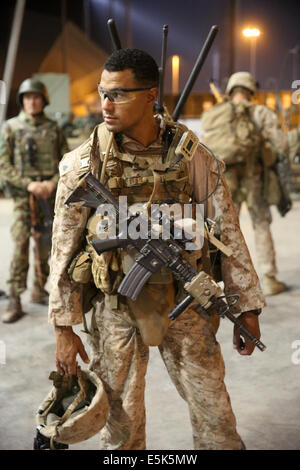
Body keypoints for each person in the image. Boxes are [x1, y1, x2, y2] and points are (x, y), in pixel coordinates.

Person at [49, 49, 265, 450]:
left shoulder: (193, 157)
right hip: (115, 306)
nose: (106, 104)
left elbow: (229, 235)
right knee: (120, 423)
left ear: (151, 95)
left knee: (215, 414)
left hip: (186, 299)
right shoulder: (84, 162)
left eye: (119, 94)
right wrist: (63, 328)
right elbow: (63, 250)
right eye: (103, 92)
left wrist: (246, 308)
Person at [202, 72, 289, 296]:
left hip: (225, 179)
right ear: (250, 91)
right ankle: (268, 278)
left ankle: (217, 279)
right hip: (254, 178)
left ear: (231, 90)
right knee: (261, 223)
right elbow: (282, 145)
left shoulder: (217, 113)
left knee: (223, 227)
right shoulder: (260, 112)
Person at [0, 78, 68, 323]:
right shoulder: (10, 127)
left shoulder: (54, 128)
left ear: (44, 100)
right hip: (22, 198)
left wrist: (52, 182)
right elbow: (3, 164)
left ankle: (40, 289)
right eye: (27, 97)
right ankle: (15, 298)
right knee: (19, 247)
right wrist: (27, 184)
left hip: (47, 198)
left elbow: (66, 162)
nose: (32, 101)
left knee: (45, 245)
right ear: (22, 101)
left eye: (36, 97)